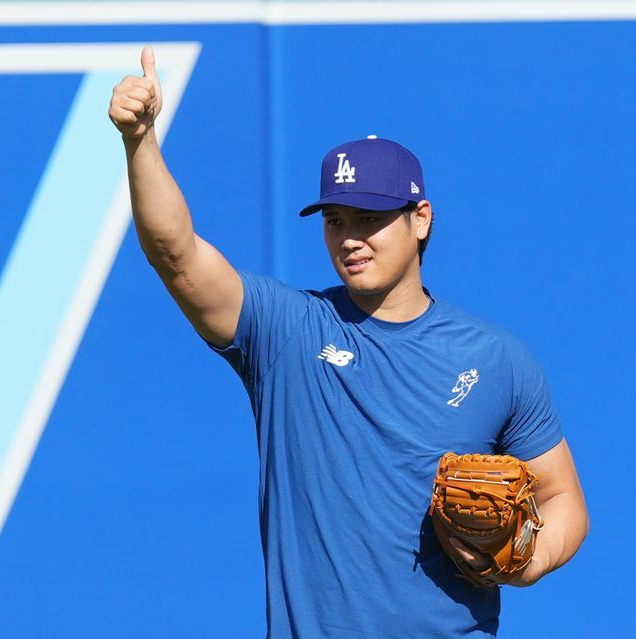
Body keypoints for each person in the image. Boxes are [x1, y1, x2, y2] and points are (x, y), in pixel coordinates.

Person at [109, 46, 589, 638]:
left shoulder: (495, 359)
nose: (349, 238)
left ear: (421, 219)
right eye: (335, 219)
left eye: (370, 218)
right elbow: (175, 253)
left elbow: (564, 496)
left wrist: (530, 560)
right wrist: (141, 142)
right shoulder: (284, 330)